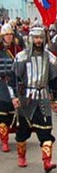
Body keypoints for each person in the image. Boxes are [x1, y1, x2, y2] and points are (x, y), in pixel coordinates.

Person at [10, 26, 57, 172]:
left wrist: (55, 100)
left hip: (43, 97)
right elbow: (13, 79)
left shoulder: (50, 58)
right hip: (26, 98)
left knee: (46, 131)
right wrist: (14, 97)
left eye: (40, 38)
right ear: (31, 39)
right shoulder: (22, 57)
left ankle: (47, 161)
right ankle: (21, 156)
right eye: (36, 38)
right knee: (23, 131)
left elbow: (54, 81)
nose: (38, 40)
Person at [0, 24, 22, 153]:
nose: (9, 37)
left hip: (13, 84)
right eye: (6, 35)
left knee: (13, 114)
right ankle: (4, 141)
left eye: (10, 35)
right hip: (1, 84)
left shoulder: (16, 50)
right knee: (2, 114)